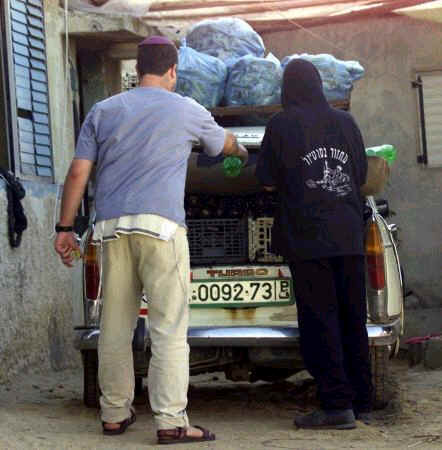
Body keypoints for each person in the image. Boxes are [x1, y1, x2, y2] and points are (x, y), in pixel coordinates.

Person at [54, 35, 248, 444]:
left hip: (111, 230)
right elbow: (225, 144)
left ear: (138, 69)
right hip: (162, 230)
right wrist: (241, 152)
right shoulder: (187, 109)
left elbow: (78, 172)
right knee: (168, 328)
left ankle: (113, 414)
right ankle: (171, 421)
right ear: (173, 70)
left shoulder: (103, 110)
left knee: (114, 327)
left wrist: (64, 229)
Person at [255, 59, 372, 430]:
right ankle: (361, 400)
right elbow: (360, 175)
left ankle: (336, 405)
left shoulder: (281, 124)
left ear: (287, 88)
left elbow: (266, 180)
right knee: (353, 318)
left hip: (308, 240)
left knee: (321, 321)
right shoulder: (346, 122)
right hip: (349, 235)